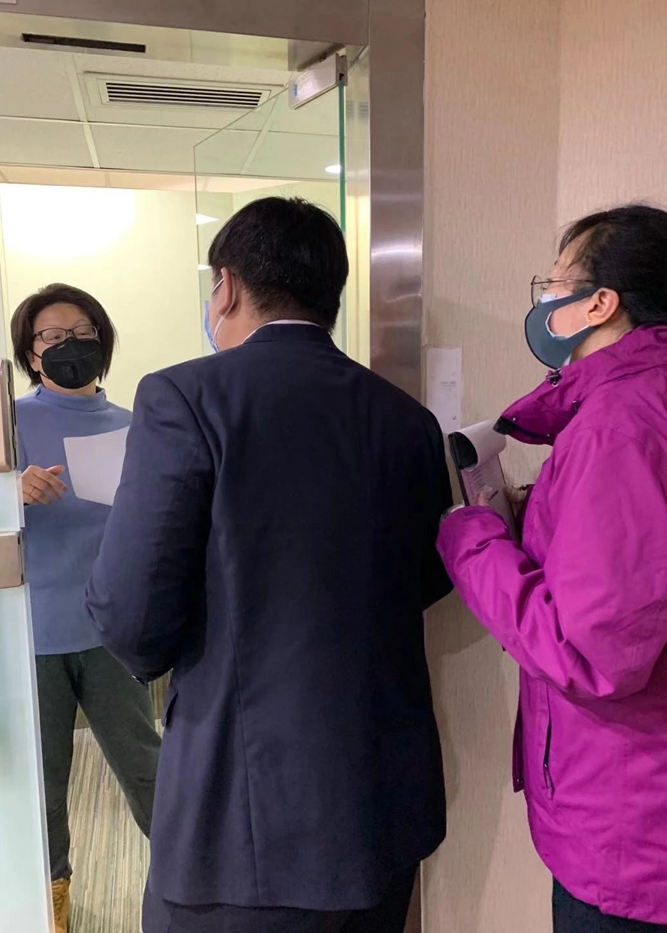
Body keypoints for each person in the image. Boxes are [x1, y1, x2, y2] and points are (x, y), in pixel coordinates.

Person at [84, 197, 453, 933]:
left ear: (225, 286)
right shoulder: (408, 418)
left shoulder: (184, 397)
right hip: (383, 806)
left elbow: (131, 614)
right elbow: (429, 577)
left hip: (243, 818)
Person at [437, 204, 667, 932]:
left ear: (600, 303)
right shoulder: (641, 407)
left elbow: (590, 650)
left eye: (556, 282)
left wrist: (472, 538)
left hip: (631, 834)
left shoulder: (617, 426)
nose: (544, 301)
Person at [11, 284, 161, 933]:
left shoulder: (135, 423)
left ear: (102, 339)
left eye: (82, 332)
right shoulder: (6, 423)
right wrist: (8, 488)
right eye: (52, 336)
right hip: (32, 634)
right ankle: (53, 891)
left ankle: (187, 875)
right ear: (31, 352)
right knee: (44, 779)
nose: (69, 345)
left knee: (145, 763)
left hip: (109, 628)